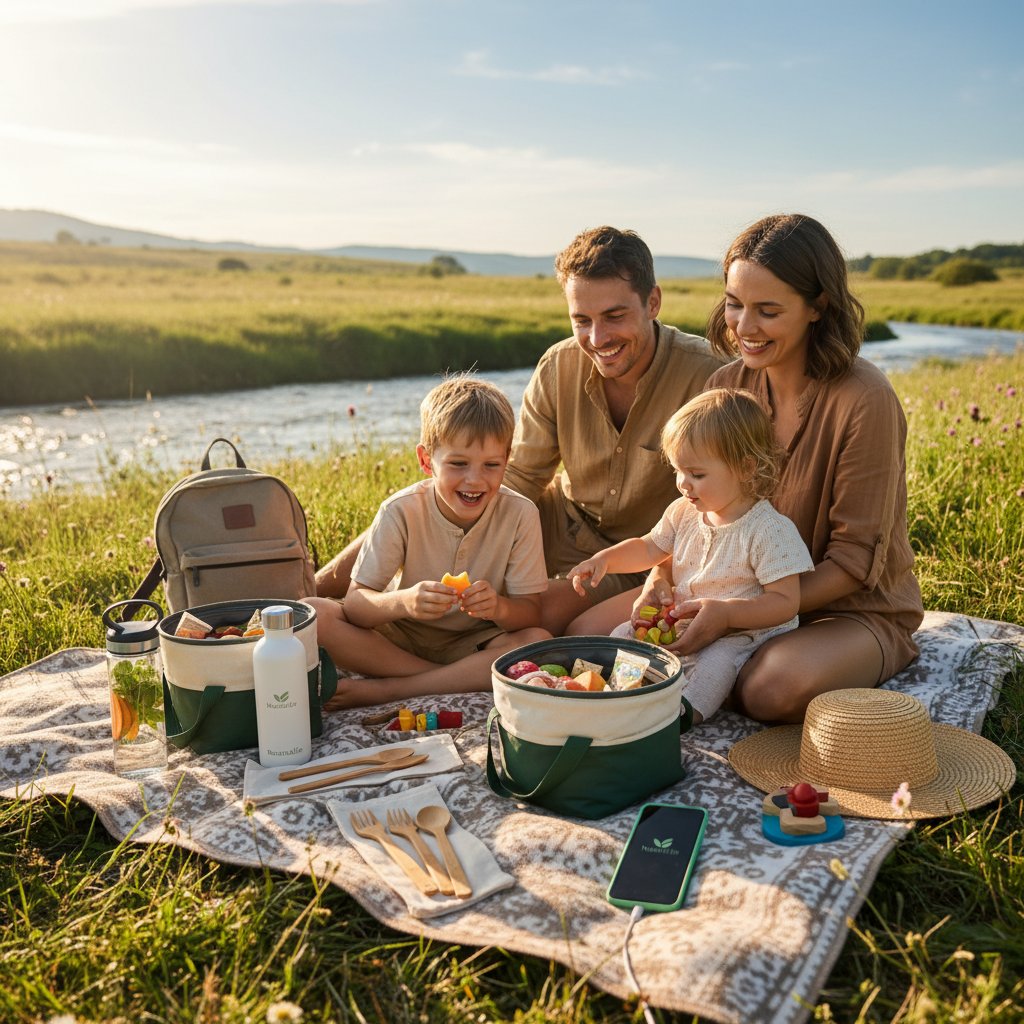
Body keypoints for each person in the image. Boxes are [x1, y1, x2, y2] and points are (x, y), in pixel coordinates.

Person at [572, 214, 924, 723]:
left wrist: (742, 613)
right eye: (735, 305)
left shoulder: (864, 399)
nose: (743, 327)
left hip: (846, 611)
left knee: (769, 690)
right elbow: (695, 513)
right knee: (588, 639)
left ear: (817, 307)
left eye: (768, 310)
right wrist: (660, 579)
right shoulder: (725, 385)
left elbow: (853, 563)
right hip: (720, 594)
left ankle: (735, 674)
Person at [314, 226, 725, 636]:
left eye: (614, 317)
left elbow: (723, 503)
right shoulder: (558, 364)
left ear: (653, 302)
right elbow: (519, 477)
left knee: (525, 620)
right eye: (581, 320)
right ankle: (321, 585)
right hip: (556, 521)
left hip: (640, 554)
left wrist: (664, 571)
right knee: (431, 498)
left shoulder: (708, 374)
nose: (597, 338)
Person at [566, 388, 813, 724]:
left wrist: (726, 615)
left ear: (745, 468)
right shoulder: (683, 512)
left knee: (716, 664)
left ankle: (682, 717)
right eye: (678, 471)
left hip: (738, 632)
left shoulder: (768, 530)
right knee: (623, 633)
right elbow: (649, 548)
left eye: (697, 474)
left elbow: (785, 602)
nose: (683, 484)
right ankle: (621, 695)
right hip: (681, 619)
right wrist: (605, 560)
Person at [308, 373, 550, 709]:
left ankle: (395, 690)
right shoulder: (400, 510)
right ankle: (449, 679)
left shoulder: (520, 514)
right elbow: (357, 606)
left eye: (491, 465)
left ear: (507, 460)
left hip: (473, 642)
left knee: (538, 642)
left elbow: (529, 615)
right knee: (312, 615)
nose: (475, 480)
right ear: (426, 461)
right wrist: (403, 602)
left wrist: (499, 607)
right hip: (398, 641)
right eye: (458, 464)